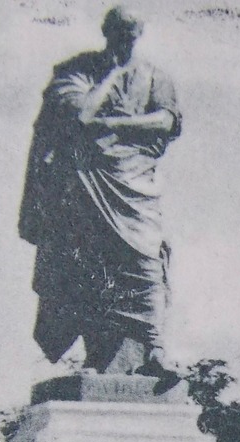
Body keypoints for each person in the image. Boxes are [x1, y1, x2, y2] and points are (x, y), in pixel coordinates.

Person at [19, 6, 182, 379]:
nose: (125, 43)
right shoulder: (76, 71)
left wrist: (114, 123)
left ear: (139, 35)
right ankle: (99, 359)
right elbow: (79, 117)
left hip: (135, 184)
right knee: (92, 270)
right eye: (119, 35)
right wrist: (109, 77)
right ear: (107, 34)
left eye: (131, 35)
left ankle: (154, 349)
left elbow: (167, 121)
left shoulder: (156, 76)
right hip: (85, 187)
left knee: (146, 263)